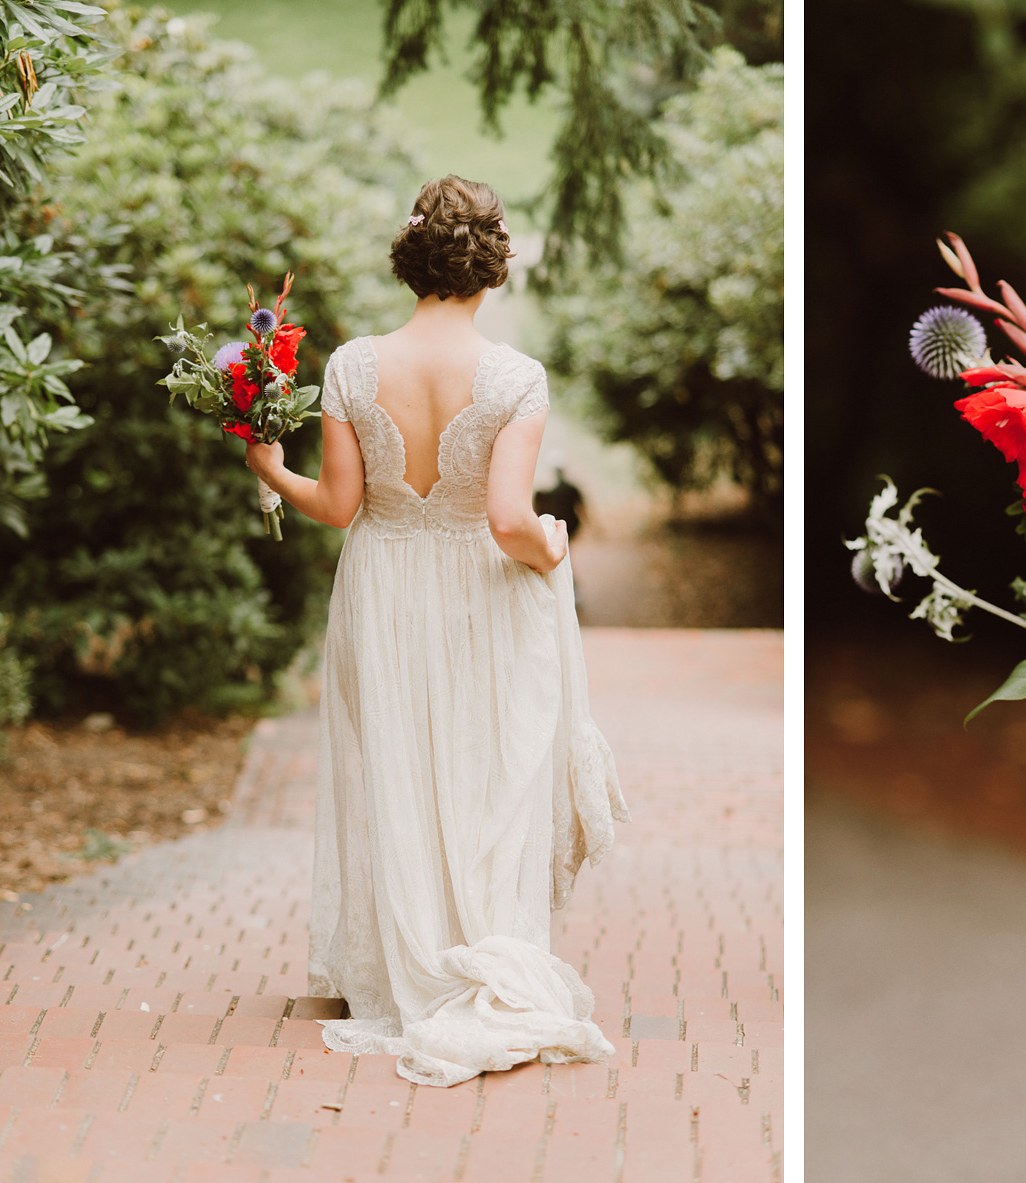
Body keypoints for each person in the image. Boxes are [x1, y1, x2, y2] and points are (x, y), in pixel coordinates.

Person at [243, 175, 628, 1087]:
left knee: (396, 762)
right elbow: (506, 519)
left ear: (412, 258)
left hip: (381, 582)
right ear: (492, 264)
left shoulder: (350, 366)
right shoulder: (514, 379)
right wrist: (553, 543)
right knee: (488, 766)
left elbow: (338, 505)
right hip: (478, 586)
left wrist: (268, 467)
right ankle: (478, 945)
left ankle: (399, 960)